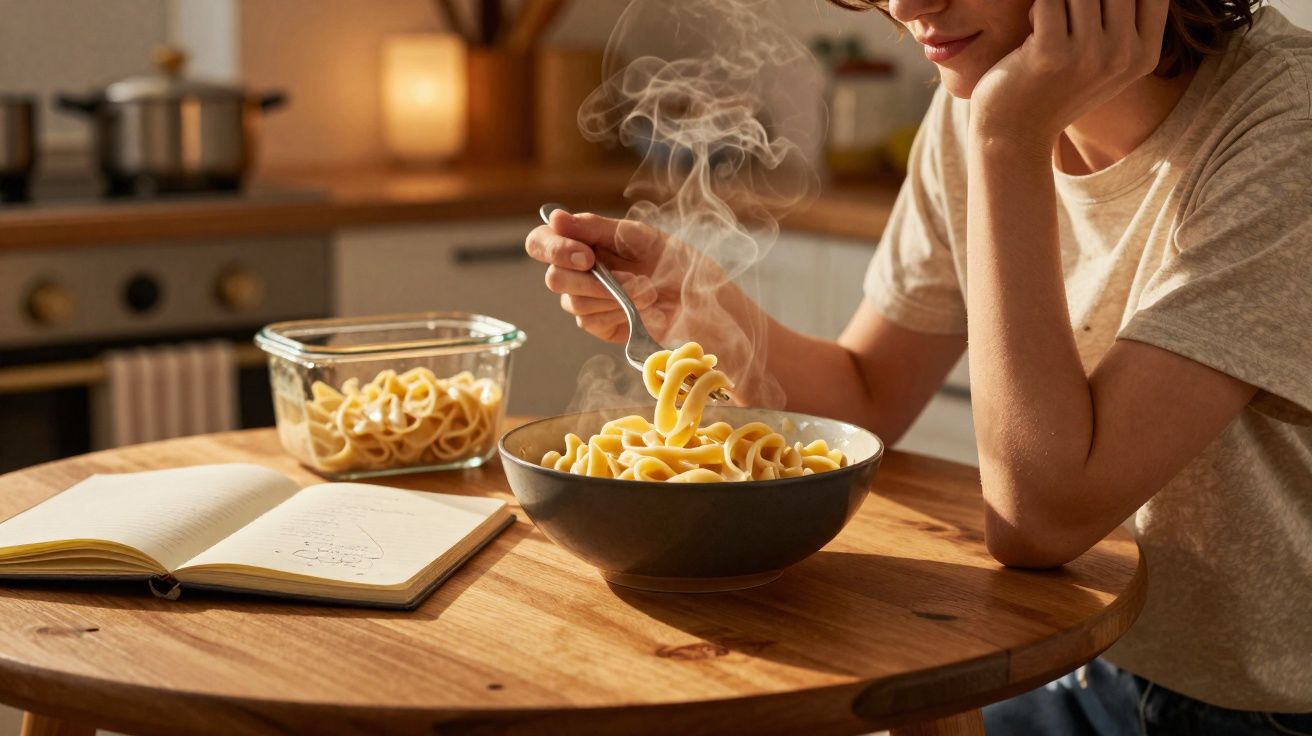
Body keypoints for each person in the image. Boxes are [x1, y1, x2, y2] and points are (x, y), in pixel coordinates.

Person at [524, 0, 1311, 732]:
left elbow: (1044, 516)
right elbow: (867, 398)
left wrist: (1008, 137)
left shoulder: (1286, 126)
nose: (905, 5)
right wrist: (692, 307)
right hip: (1080, 659)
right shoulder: (988, 91)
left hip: (1254, 705)